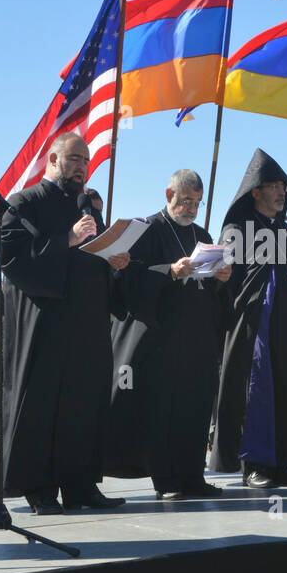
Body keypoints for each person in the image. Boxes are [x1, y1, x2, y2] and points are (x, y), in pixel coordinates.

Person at [0, 134, 130, 514]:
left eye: (85, 161)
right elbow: (11, 256)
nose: (82, 166)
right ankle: (40, 489)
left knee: (84, 405)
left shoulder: (88, 209)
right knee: (43, 406)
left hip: (87, 325)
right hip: (46, 325)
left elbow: (93, 258)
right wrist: (67, 239)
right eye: (74, 158)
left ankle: (81, 486)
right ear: (53, 158)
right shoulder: (24, 203)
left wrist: (114, 262)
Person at [209, 149, 287, 489]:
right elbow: (227, 279)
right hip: (257, 330)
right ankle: (255, 464)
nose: (281, 191)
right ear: (255, 190)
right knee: (257, 396)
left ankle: (281, 462)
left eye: (283, 186)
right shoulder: (237, 229)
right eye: (273, 185)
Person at [105, 170, 232, 499]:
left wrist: (221, 278)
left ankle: (193, 476)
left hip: (197, 339)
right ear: (168, 194)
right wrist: (169, 273)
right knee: (162, 410)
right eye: (186, 200)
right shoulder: (145, 231)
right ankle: (165, 481)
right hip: (160, 340)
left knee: (195, 407)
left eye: (197, 203)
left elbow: (213, 294)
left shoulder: (203, 235)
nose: (191, 208)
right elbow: (127, 280)